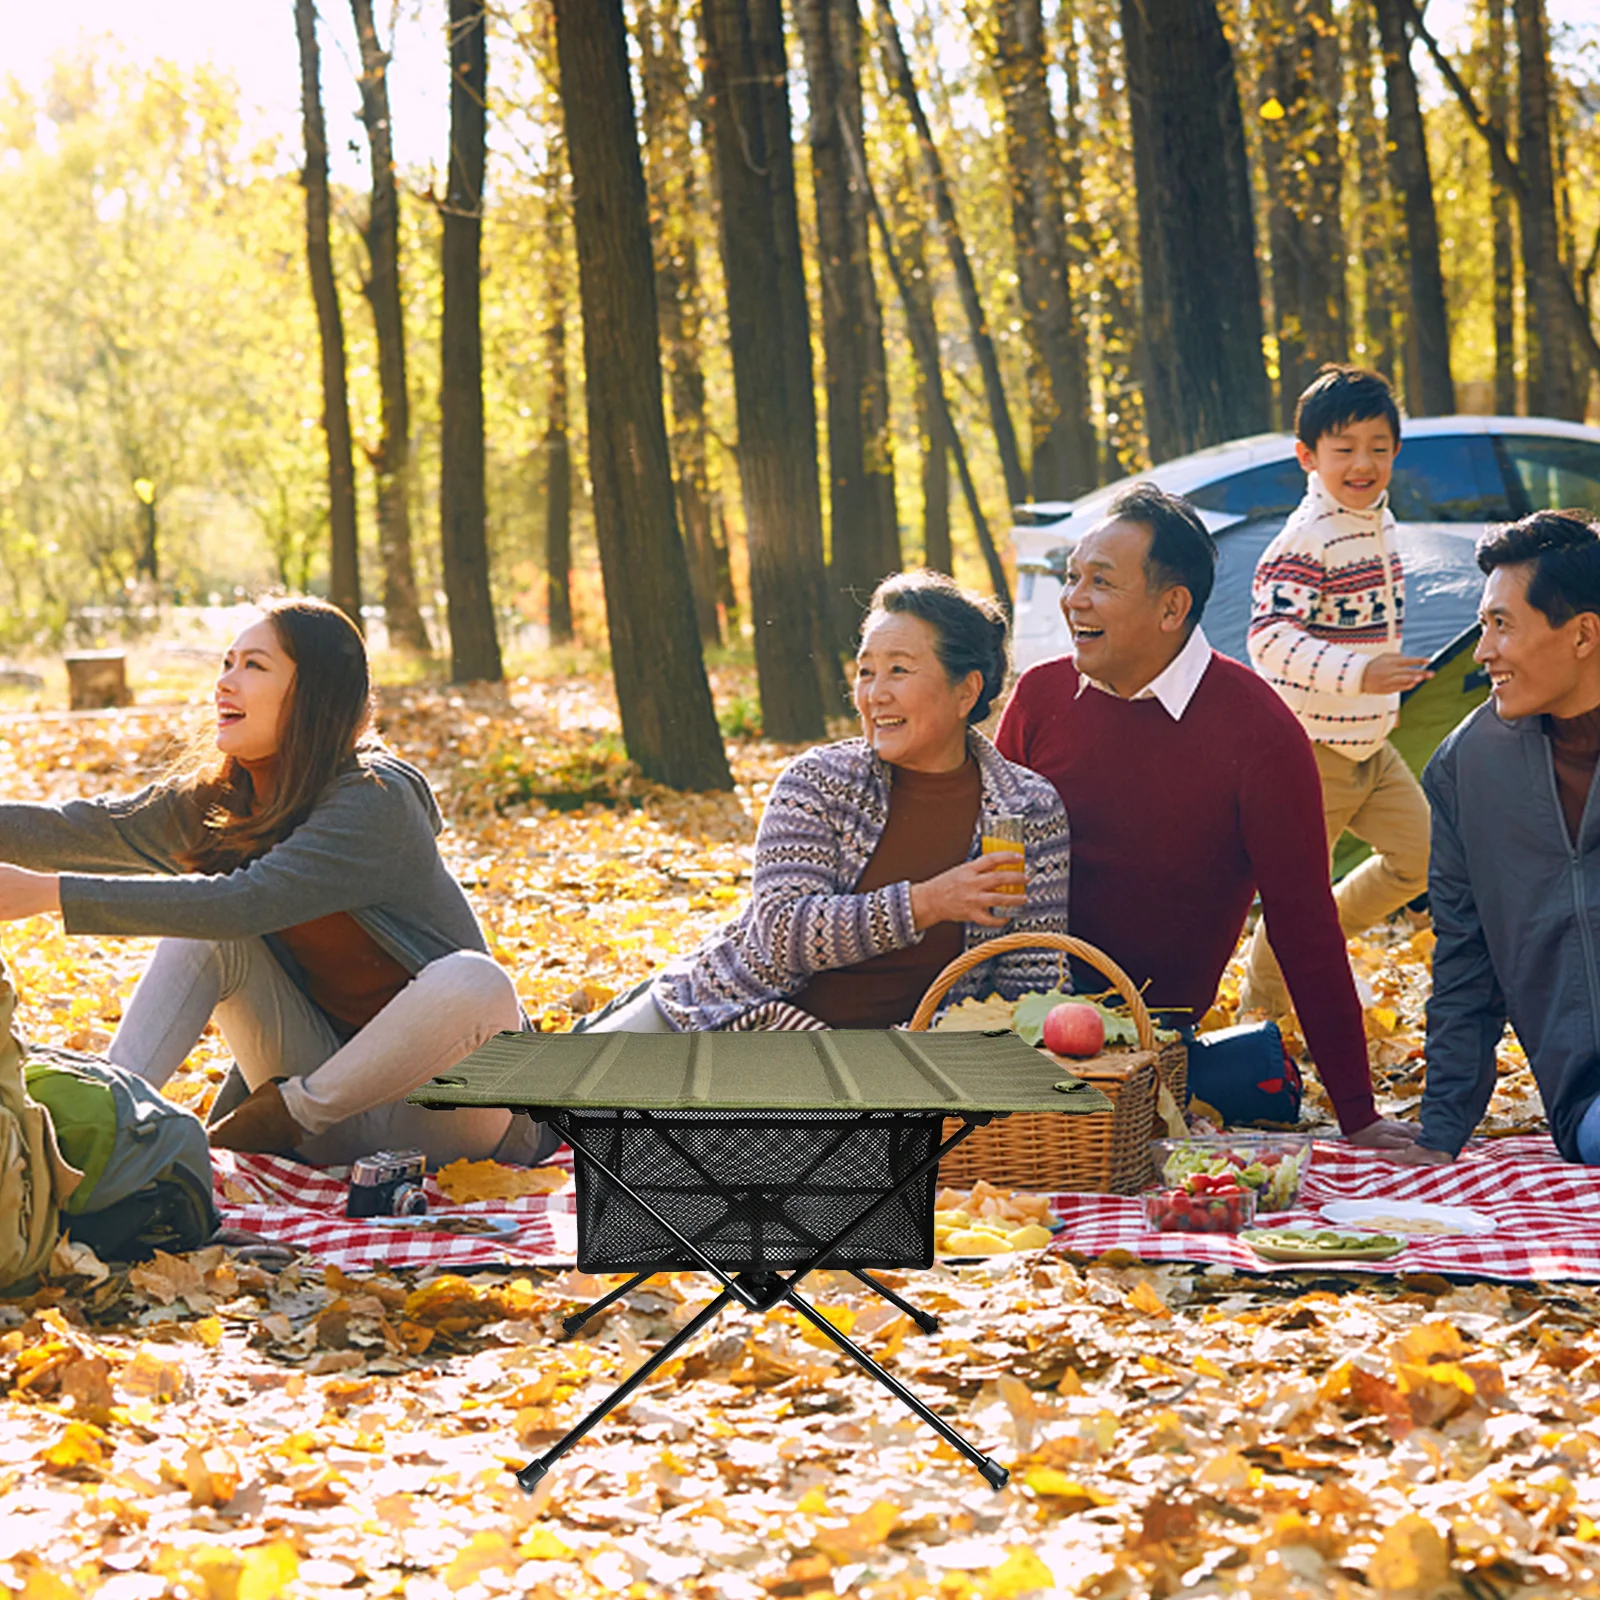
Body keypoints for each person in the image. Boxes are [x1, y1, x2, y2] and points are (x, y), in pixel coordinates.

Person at [0, 599, 544, 1168]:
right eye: (227, 663)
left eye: (253, 667)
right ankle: (95, 1137)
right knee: (206, 932)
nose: (224, 683)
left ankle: (285, 1117)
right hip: (336, 1122)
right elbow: (85, 831)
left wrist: (46, 894)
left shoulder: (373, 801)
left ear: (314, 695)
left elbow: (245, 902)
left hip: (456, 1119)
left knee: (475, 981)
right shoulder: (223, 799)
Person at [994, 482, 1415, 1147]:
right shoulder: (1041, 695)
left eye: (1101, 582)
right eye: (1072, 577)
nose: (1074, 598)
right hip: (1009, 1026)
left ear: (1173, 608)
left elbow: (1305, 926)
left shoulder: (1260, 731)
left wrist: (1359, 1115)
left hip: (1150, 1049)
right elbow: (986, 859)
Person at [582, 570, 1072, 1034]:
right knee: (547, 1102)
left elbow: (1031, 981)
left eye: (898, 670)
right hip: (720, 1013)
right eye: (865, 672)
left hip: (879, 1074)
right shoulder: (819, 781)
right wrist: (929, 902)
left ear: (966, 691)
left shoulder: (1027, 811)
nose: (874, 695)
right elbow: (781, 932)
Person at [1394, 511, 1600, 1167]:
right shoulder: (1464, 772)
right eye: (1484, 626)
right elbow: (1464, 968)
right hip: (1590, 1102)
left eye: (1501, 625)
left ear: (1583, 634)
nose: (1482, 653)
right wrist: (1439, 1135)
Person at [1240, 365, 1432, 1017]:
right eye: (1344, 449)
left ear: (1395, 453)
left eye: (1378, 448)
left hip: (1371, 746)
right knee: (1298, 899)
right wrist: (1360, 674)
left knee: (1422, 856)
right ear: (1307, 457)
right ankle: (1257, 1018)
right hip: (1311, 753)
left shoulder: (1381, 522)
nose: (1362, 464)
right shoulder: (1304, 541)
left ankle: (1317, 947)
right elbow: (1269, 638)